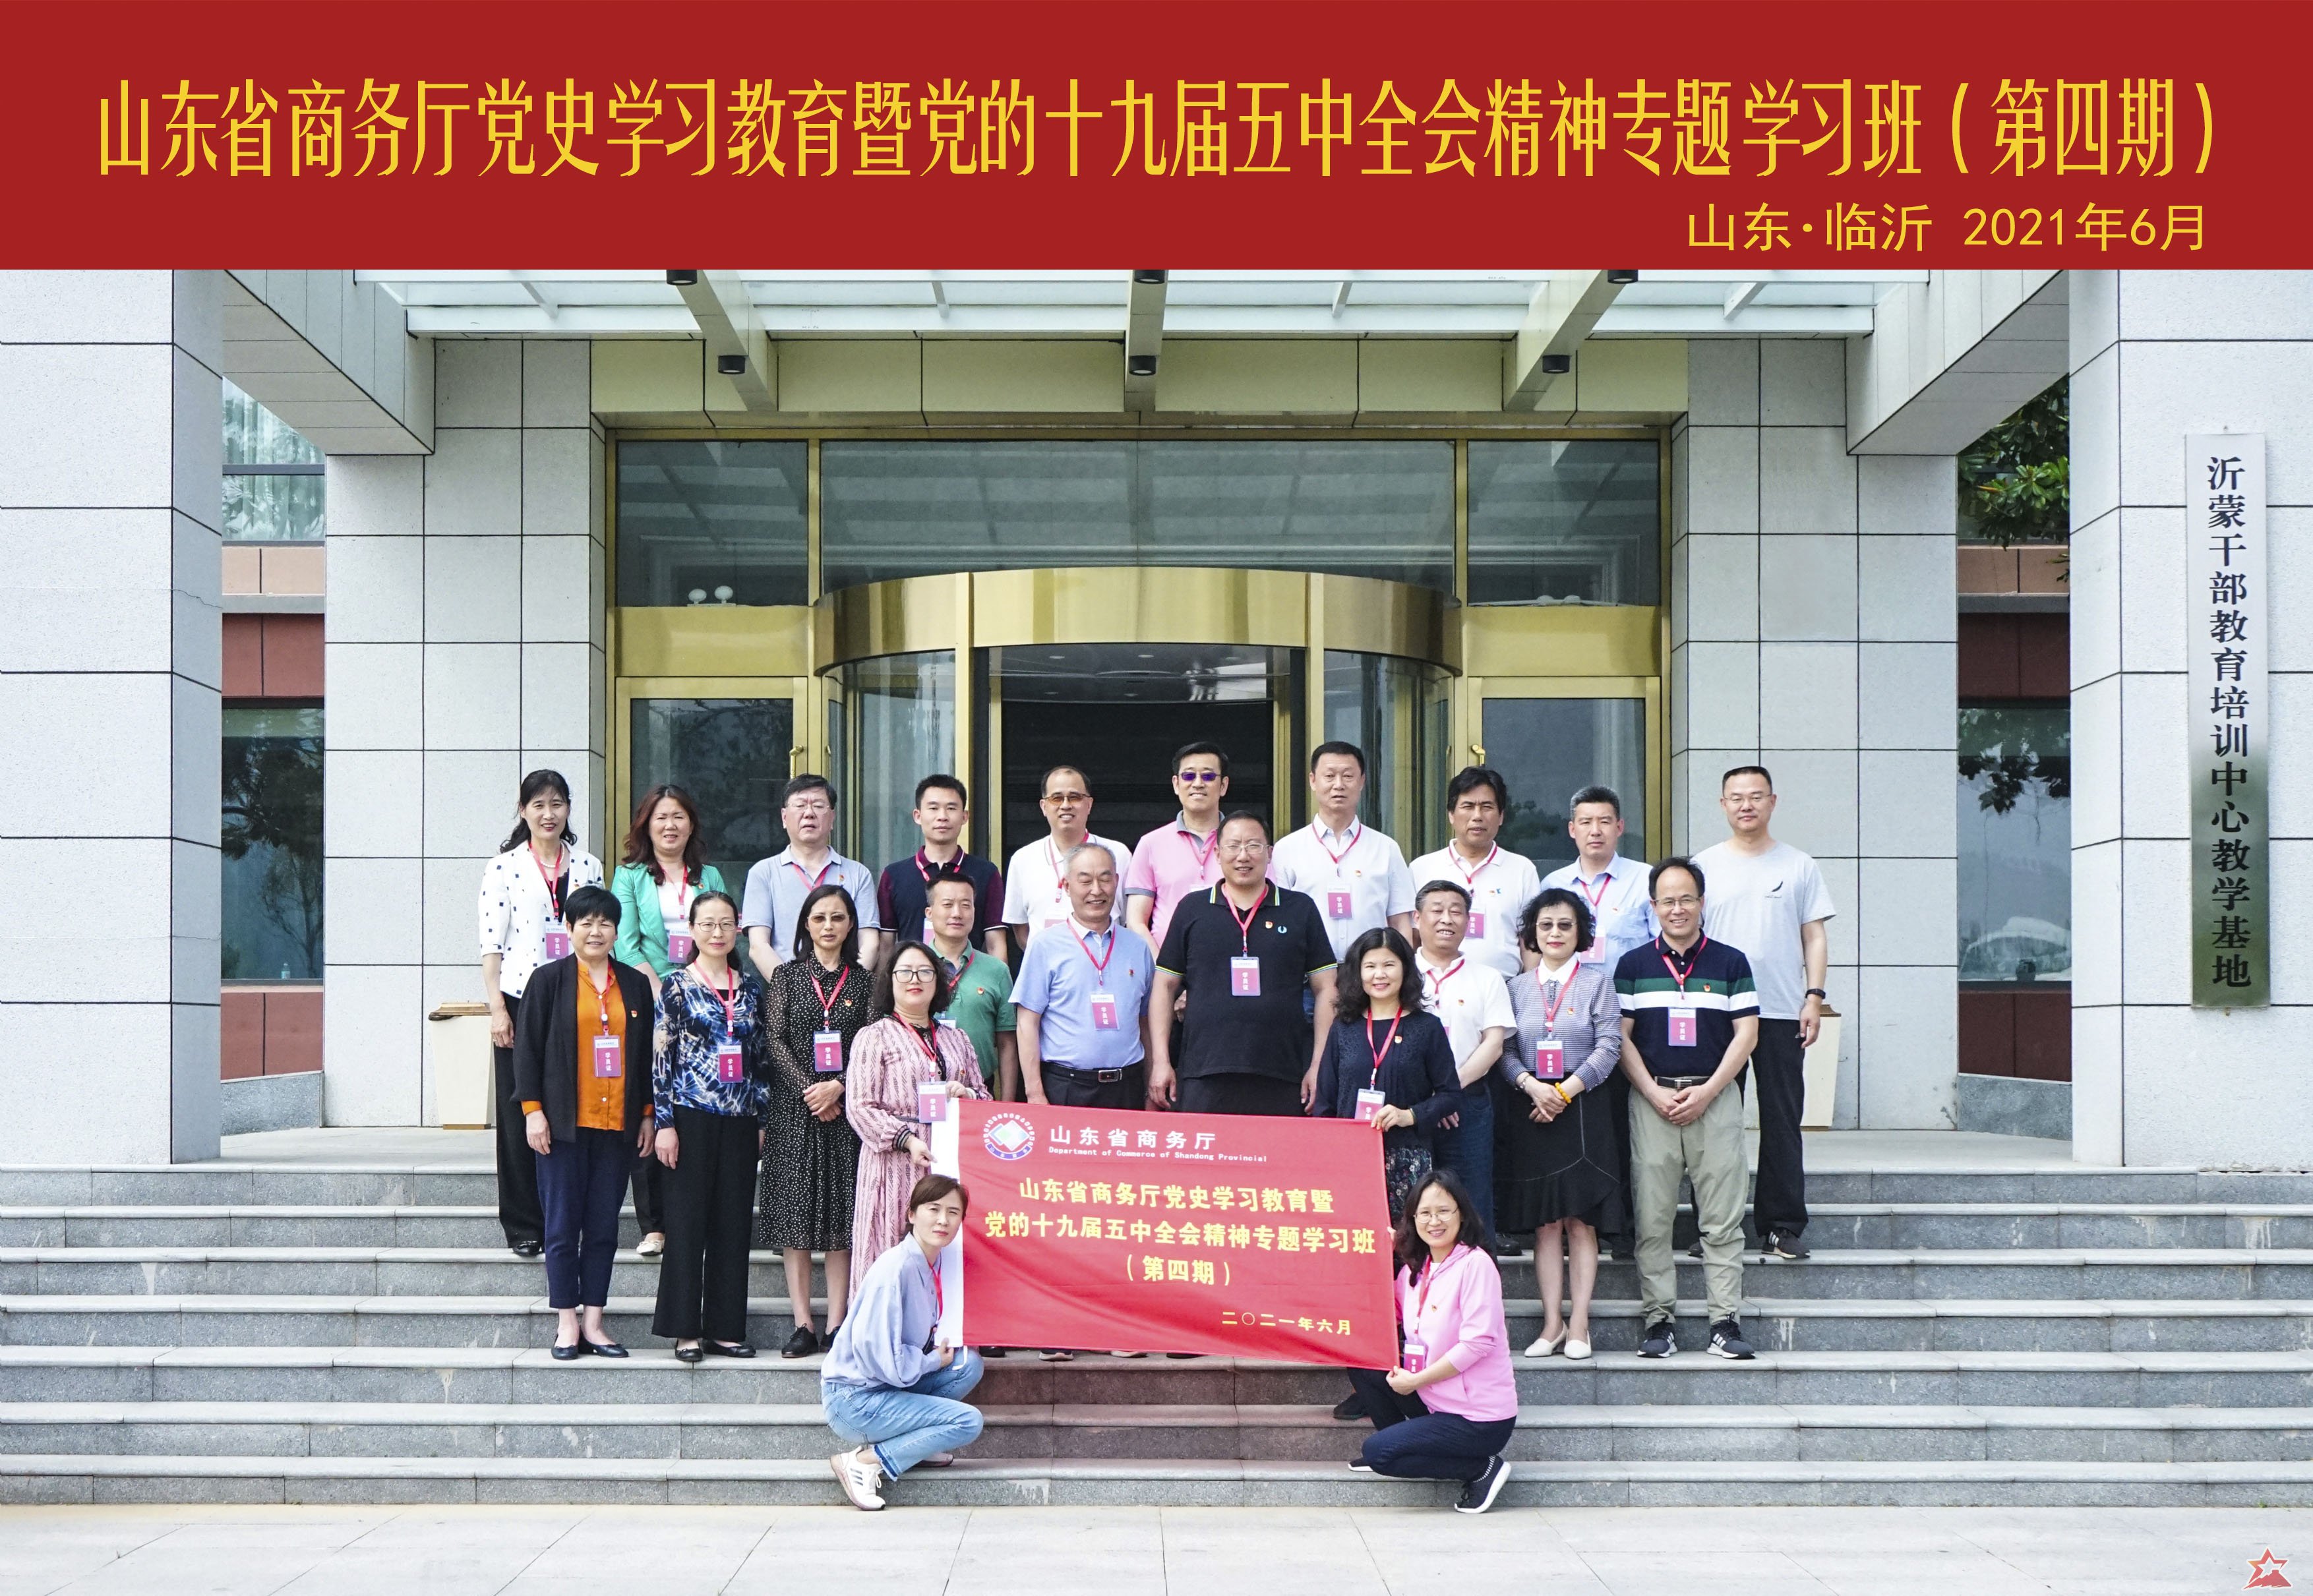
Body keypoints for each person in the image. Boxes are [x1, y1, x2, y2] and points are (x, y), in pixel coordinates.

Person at [1617, 857, 1760, 1361]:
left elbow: (1747, 1033)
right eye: (1667, 900)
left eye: (1686, 899)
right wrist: (1653, 1092)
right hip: (1651, 1101)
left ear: (1702, 902)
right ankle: (1659, 1320)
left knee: (1722, 1220)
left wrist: (1709, 1090)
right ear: (1653, 906)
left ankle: (1725, 1322)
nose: (1677, 909)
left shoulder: (1731, 962)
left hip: (1715, 1101)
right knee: (1652, 1218)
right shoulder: (1633, 965)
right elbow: (1621, 1037)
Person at [1695, 765, 1835, 1262]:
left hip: (1779, 1009)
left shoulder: (1798, 865)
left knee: (1781, 1118)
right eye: (1736, 797)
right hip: (1717, 1012)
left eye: (1756, 796)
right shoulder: (1704, 865)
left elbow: (1814, 936)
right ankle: (1715, 1226)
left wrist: (1813, 996)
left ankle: (1781, 1226)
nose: (1746, 805)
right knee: (1714, 1124)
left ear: (1773, 801)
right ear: (1723, 804)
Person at [511, 885, 654, 1359]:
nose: (596, 931)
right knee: (561, 1225)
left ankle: (595, 1321)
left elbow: (644, 1059)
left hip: (617, 1125)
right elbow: (527, 1051)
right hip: (563, 1126)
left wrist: (647, 1115)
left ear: (616, 931)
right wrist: (533, 1111)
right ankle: (566, 1323)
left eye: (605, 922)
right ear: (569, 928)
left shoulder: (634, 984)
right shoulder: (548, 980)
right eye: (586, 922)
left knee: (603, 1227)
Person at [478, 769, 605, 1258]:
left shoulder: (589, 865)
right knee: (520, 1110)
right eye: (538, 805)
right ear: (523, 810)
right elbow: (492, 944)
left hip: (578, 996)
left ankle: (567, 1214)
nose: (549, 814)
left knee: (573, 1106)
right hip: (521, 998)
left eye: (557, 804)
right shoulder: (504, 867)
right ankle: (524, 1223)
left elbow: (599, 934)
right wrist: (497, 1009)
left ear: (568, 808)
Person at [1340, 1169, 1517, 1516]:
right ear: (1412, 1220)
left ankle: (1480, 1468)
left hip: (1476, 1417)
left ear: (1462, 1215)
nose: (1434, 1221)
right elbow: (1384, 1315)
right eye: (1425, 1213)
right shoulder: (1414, 1271)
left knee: (1379, 1454)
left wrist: (1416, 1381)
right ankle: (1402, 1443)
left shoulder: (1476, 1265)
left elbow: (1478, 1343)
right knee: (1364, 1366)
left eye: (1443, 1211)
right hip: (1433, 1399)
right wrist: (1373, 1257)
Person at [1499, 889, 1627, 1362]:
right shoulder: (1515, 988)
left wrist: (1564, 1092)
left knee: (1580, 1221)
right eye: (1546, 925)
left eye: (1565, 925)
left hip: (1583, 1108)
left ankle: (1580, 1324)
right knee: (1546, 1224)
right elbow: (1504, 1050)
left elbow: (1609, 1046)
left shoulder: (1598, 984)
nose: (1555, 933)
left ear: (1581, 934)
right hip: (1531, 1108)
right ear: (1532, 933)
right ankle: (1552, 1323)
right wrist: (1533, 1087)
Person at [1148, 812, 1338, 1116]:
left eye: (1253, 845)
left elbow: (1326, 988)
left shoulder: (1300, 909)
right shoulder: (1192, 908)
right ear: (1217, 853)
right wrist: (1161, 1061)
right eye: (1233, 846)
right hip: (1204, 1071)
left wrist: (1319, 1065)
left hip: (1283, 1071)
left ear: (1270, 853)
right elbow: (1165, 985)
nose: (1243, 856)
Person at [1538, 784, 1658, 1262]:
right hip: (1567, 1027)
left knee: (1627, 1127)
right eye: (1586, 822)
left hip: (1630, 1024)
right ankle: (1575, 1218)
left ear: (1620, 827)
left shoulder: (1644, 880)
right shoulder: (1554, 884)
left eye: (1605, 821)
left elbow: (1659, 946)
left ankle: (1624, 1226)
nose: (1595, 830)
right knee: (1581, 1128)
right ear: (1572, 829)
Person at [611, 783, 730, 1259]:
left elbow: (722, 933)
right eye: (661, 817)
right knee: (652, 1106)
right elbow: (625, 944)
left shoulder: (710, 874)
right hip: (652, 998)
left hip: (707, 1003)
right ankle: (654, 1223)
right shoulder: (629, 876)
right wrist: (666, 990)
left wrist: (699, 988)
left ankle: (699, 1215)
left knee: (695, 1108)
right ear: (647, 825)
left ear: (691, 823)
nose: (670, 825)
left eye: (678, 816)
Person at [648, 890, 767, 1361]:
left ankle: (725, 1328)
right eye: (707, 924)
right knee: (686, 1222)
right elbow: (662, 1057)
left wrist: (761, 1117)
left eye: (725, 924)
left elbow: (760, 1060)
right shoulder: (677, 985)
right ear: (692, 931)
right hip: (690, 1116)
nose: (717, 933)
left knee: (733, 1225)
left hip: (740, 1119)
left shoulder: (751, 988)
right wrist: (664, 1122)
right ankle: (685, 1330)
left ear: (738, 929)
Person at [755, 881, 872, 1357]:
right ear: (806, 923)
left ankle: (838, 1321)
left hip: (846, 1112)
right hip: (794, 1110)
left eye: (838, 917)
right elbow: (774, 1039)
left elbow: (870, 1044)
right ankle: (803, 1322)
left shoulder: (865, 982)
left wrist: (838, 1085)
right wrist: (812, 1090)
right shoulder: (786, 976)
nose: (828, 926)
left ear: (851, 925)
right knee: (795, 1216)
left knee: (842, 1218)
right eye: (820, 917)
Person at [822, 1174, 985, 1510]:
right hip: (856, 1399)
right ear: (911, 1214)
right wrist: (931, 1362)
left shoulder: (930, 1261)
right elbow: (884, 1360)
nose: (943, 1220)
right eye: (933, 1209)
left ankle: (914, 1444)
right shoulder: (895, 1271)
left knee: (967, 1364)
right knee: (968, 1421)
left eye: (953, 1212)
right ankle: (864, 1462)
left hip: (885, 1386)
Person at [845, 941, 992, 1289]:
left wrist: (968, 1095)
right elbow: (860, 1106)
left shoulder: (957, 1039)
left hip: (947, 1162)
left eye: (925, 972)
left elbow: (986, 1098)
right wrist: (906, 1140)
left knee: (945, 1252)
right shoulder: (873, 1036)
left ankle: (942, 1321)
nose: (915, 979)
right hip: (894, 1163)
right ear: (890, 980)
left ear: (937, 982)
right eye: (905, 972)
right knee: (889, 1250)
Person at [1311, 927, 1462, 1217]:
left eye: (1389, 965)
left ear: (1405, 969)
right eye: (1370, 966)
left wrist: (1410, 1115)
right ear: (1358, 973)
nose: (1379, 975)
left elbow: (1451, 1095)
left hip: (1408, 1158)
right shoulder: (1343, 1028)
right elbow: (1325, 1104)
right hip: (1351, 1158)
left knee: (1407, 1238)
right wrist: (1330, 1155)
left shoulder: (1427, 1027)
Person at [1014, 841, 1157, 1111]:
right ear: (1067, 886)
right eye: (1085, 881)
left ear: (1117, 882)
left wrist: (1151, 1086)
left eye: (1105, 879)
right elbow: (1027, 1023)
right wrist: (1034, 1093)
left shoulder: (1138, 947)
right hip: (1066, 1086)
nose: (1096, 890)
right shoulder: (1045, 945)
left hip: (1127, 1086)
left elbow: (1147, 1021)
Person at [1407, 881, 1514, 1236]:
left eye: (1456, 912)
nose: (1446, 919)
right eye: (1436, 910)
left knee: (1471, 1200)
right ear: (1417, 918)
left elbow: (1493, 1044)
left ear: (1469, 921)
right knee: (1409, 1199)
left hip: (1468, 1102)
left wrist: (1447, 1093)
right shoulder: (1400, 974)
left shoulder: (1487, 978)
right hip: (1410, 1104)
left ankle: (1475, 1271)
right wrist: (1431, 1101)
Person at [1269, 740, 1416, 967]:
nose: (1338, 785)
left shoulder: (1386, 848)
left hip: (1370, 973)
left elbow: (1400, 922)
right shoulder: (1287, 849)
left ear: (1362, 781)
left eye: (1348, 776)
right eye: (1329, 776)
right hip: (1309, 973)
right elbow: (1278, 918)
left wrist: (1404, 972)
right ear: (1313, 781)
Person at [1408, 767, 1544, 982]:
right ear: (1451, 815)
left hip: (1505, 988)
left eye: (1487, 807)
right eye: (1468, 806)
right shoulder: (1422, 868)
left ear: (1501, 816)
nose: (1477, 816)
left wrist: (1529, 990)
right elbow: (1413, 936)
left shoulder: (1521, 869)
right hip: (1434, 990)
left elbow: (1530, 941)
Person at [742, 775, 883, 976]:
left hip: (845, 989)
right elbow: (759, 946)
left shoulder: (858, 874)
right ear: (784, 817)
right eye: (800, 805)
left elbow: (870, 943)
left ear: (832, 817)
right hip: (787, 990)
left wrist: (847, 986)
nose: (809, 813)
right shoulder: (763, 873)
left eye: (818, 806)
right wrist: (793, 988)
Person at [1001, 764, 1133, 949]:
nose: (1065, 805)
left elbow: (1130, 920)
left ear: (1089, 804)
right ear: (1044, 807)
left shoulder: (1118, 854)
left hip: (1106, 962)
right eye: (1056, 798)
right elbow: (1021, 929)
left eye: (1075, 797)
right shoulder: (1022, 859)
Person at [876, 775, 1007, 960]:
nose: (942, 817)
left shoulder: (986, 873)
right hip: (912, 975)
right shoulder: (894, 875)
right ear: (918, 816)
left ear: (964, 817)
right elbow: (886, 945)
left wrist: (1000, 978)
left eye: (951, 808)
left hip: (968, 974)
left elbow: (995, 944)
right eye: (933, 808)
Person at [1124, 740, 1232, 950]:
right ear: (1176, 784)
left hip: (1229, 962)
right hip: (1166, 963)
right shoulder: (1151, 843)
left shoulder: (1243, 844)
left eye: (1208, 776)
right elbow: (1136, 921)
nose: (1198, 783)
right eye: (1189, 776)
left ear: (1223, 786)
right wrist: (1160, 965)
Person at [924, 874, 1018, 1099]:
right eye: (948, 905)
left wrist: (1007, 1102)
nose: (957, 913)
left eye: (966, 905)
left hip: (980, 1090)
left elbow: (1007, 1043)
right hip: (922, 1090)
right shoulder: (910, 966)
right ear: (929, 913)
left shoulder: (996, 970)